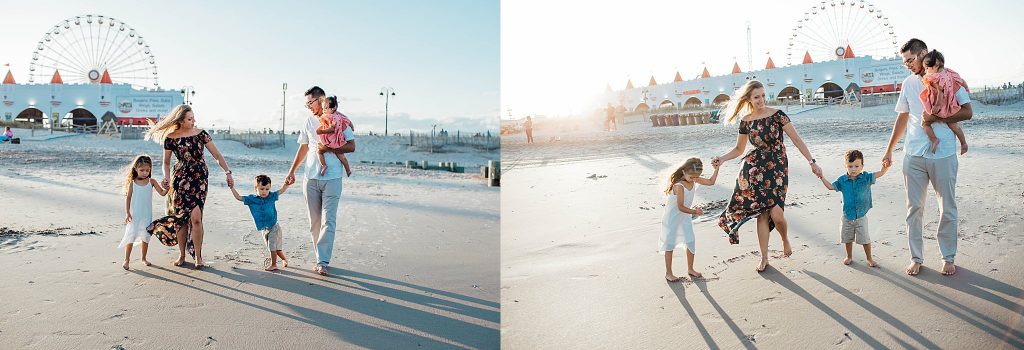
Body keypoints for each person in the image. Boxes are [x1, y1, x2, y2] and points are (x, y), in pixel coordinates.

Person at [712, 80, 822, 273]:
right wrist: (722, 159)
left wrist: (811, 162)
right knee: (762, 214)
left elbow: (796, 139)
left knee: (777, 214)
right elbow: (739, 149)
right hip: (754, 169)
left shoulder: (778, 116)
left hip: (778, 166)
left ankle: (784, 239)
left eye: (763, 95)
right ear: (749, 99)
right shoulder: (746, 121)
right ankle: (764, 258)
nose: (761, 100)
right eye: (756, 97)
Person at [883, 38, 972, 276]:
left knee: (947, 208)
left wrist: (937, 119)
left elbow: (967, 112)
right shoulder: (908, 83)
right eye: (905, 63)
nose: (908, 65)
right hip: (912, 153)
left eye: (910, 60)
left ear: (923, 53)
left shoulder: (951, 78)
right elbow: (902, 117)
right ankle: (916, 257)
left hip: (942, 154)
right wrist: (890, 148)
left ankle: (948, 256)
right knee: (914, 208)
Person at [145, 104, 234, 269]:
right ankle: (182, 254)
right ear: (180, 120)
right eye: (189, 119)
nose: (193, 121)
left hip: (199, 179)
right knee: (181, 220)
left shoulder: (201, 134)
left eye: (194, 118)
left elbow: (217, 155)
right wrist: (166, 178)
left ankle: (198, 257)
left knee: (196, 218)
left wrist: (227, 172)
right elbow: (165, 162)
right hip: (179, 180)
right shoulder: (171, 137)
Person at [286, 86, 356, 276]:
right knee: (314, 222)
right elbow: (303, 149)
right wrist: (292, 171)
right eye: (306, 103)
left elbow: (351, 146)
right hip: (310, 178)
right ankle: (319, 257)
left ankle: (322, 261)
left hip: (332, 177)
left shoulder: (339, 119)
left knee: (328, 221)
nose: (308, 106)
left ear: (322, 99)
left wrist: (328, 148)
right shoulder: (308, 121)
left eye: (310, 102)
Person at [816, 150, 890, 267]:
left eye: (856, 166)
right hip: (847, 215)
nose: (853, 169)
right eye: (850, 166)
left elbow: (880, 173)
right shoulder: (842, 180)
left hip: (861, 215)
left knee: (865, 239)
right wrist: (821, 177)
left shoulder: (866, 177)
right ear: (845, 166)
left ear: (862, 166)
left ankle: (869, 258)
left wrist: (885, 167)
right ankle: (849, 256)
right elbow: (831, 187)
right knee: (847, 238)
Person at [660, 157, 719, 282]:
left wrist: (716, 169)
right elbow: (680, 206)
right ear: (684, 172)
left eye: (696, 177)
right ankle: (668, 273)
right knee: (670, 244)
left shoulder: (694, 179)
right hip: (673, 218)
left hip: (685, 217)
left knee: (690, 240)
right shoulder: (679, 186)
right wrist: (695, 211)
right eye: (691, 177)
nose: (694, 179)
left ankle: (690, 269)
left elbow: (711, 182)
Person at [228, 175, 291, 271]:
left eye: (267, 189)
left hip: (274, 226)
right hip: (264, 229)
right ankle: (284, 259)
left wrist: (286, 184)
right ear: (256, 188)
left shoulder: (271, 196)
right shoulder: (251, 199)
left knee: (272, 246)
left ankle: (274, 264)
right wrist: (232, 187)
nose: (264, 191)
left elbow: (281, 190)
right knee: (276, 249)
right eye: (262, 189)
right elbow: (238, 197)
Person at [119, 155, 168, 270]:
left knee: (145, 237)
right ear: (136, 169)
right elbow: (128, 198)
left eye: (147, 170)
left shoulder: (152, 182)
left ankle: (143, 258)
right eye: (142, 170)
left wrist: (168, 187)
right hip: (135, 215)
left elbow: (162, 193)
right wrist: (127, 213)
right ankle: (126, 259)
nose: (145, 172)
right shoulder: (133, 183)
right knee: (131, 236)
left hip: (147, 215)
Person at [919, 49, 969, 155]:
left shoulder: (934, 78)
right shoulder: (949, 73)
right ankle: (963, 143)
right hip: (951, 105)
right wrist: (966, 88)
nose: (926, 71)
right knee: (955, 126)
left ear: (936, 66)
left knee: (925, 123)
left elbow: (940, 93)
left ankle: (934, 140)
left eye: (927, 68)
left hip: (942, 107)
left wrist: (936, 106)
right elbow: (961, 80)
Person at [314, 95, 353, 177]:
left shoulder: (328, 117)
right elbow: (348, 121)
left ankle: (324, 165)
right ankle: (348, 170)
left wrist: (321, 131)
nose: (324, 110)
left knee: (319, 152)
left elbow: (331, 129)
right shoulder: (340, 117)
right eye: (323, 108)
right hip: (338, 142)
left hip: (329, 141)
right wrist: (352, 126)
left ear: (333, 108)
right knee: (342, 157)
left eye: (326, 108)